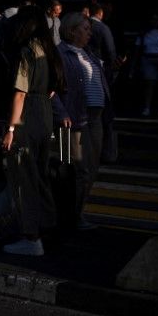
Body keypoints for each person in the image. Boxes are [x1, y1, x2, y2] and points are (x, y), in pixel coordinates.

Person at [1, 5, 66, 256]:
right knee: (40, 175)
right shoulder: (48, 49)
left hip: (27, 114)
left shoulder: (27, 50)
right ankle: (48, 226)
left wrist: (10, 128)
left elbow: (19, 93)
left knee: (24, 178)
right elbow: (55, 86)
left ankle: (31, 237)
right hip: (45, 112)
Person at [53, 12, 108, 231]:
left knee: (91, 170)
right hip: (75, 119)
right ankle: (70, 216)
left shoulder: (88, 53)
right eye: (85, 29)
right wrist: (61, 113)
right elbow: (52, 88)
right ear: (72, 30)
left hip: (95, 117)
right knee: (77, 170)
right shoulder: (61, 54)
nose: (89, 33)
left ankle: (77, 213)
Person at [130, 13, 158, 117]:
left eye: (156, 19)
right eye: (152, 19)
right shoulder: (143, 33)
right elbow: (137, 49)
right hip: (147, 59)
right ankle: (147, 107)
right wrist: (133, 67)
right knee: (149, 84)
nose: (154, 21)